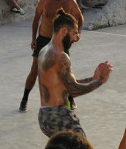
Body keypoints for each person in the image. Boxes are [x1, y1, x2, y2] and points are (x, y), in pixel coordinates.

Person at [37, 9, 112, 137]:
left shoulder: (44, 51)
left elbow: (65, 85)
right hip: (59, 116)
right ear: (64, 31)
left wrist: (93, 78)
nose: (75, 38)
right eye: (74, 33)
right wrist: (100, 81)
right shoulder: (60, 56)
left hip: (45, 117)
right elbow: (74, 90)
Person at [19, 0, 83, 112]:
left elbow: (80, 18)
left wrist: (78, 33)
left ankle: (71, 99)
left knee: (66, 72)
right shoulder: (44, 1)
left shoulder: (70, 2)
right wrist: (33, 38)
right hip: (43, 39)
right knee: (35, 70)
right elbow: (36, 20)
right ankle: (24, 99)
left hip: (62, 41)